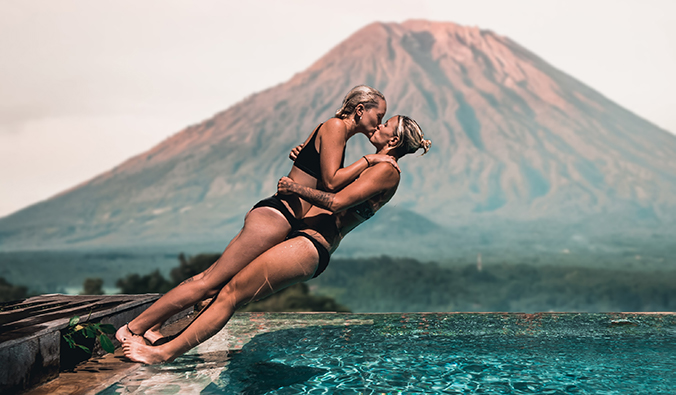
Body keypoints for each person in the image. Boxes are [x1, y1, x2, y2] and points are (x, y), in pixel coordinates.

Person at [122, 114, 430, 364]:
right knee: (222, 291)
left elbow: (336, 203)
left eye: (385, 124)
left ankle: (162, 354)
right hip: (301, 239)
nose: (379, 125)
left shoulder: (387, 170)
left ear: (393, 140)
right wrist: (309, 159)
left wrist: (295, 188)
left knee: (230, 295)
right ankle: (155, 335)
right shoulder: (374, 165)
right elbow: (332, 183)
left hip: (309, 245)